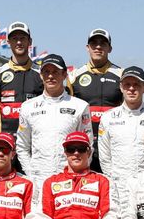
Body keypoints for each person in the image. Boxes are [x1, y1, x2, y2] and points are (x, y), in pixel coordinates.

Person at [16, 54, 92, 187]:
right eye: (46, 72)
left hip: (70, 179)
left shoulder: (80, 106)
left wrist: (78, 174)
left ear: (64, 75)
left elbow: (88, 146)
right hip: (39, 179)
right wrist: (30, 173)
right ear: (41, 75)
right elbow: (22, 146)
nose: (50, 76)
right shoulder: (27, 107)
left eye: (55, 72)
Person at [0, 21, 43, 172]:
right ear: (8, 42)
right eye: (14, 38)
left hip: (33, 146)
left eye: (22, 38)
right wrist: (1, 135)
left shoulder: (41, 74)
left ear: (29, 42)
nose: (19, 42)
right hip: (4, 147)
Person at [67, 28, 123, 172]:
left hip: (113, 145)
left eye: (103, 43)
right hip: (83, 147)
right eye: (94, 43)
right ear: (87, 48)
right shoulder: (74, 77)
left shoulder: (122, 75)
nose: (98, 47)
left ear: (110, 48)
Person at [98, 66, 144, 183]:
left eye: (136, 85)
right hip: (118, 185)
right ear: (120, 87)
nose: (131, 89)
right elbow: (105, 156)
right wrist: (113, 179)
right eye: (127, 84)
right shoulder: (107, 117)